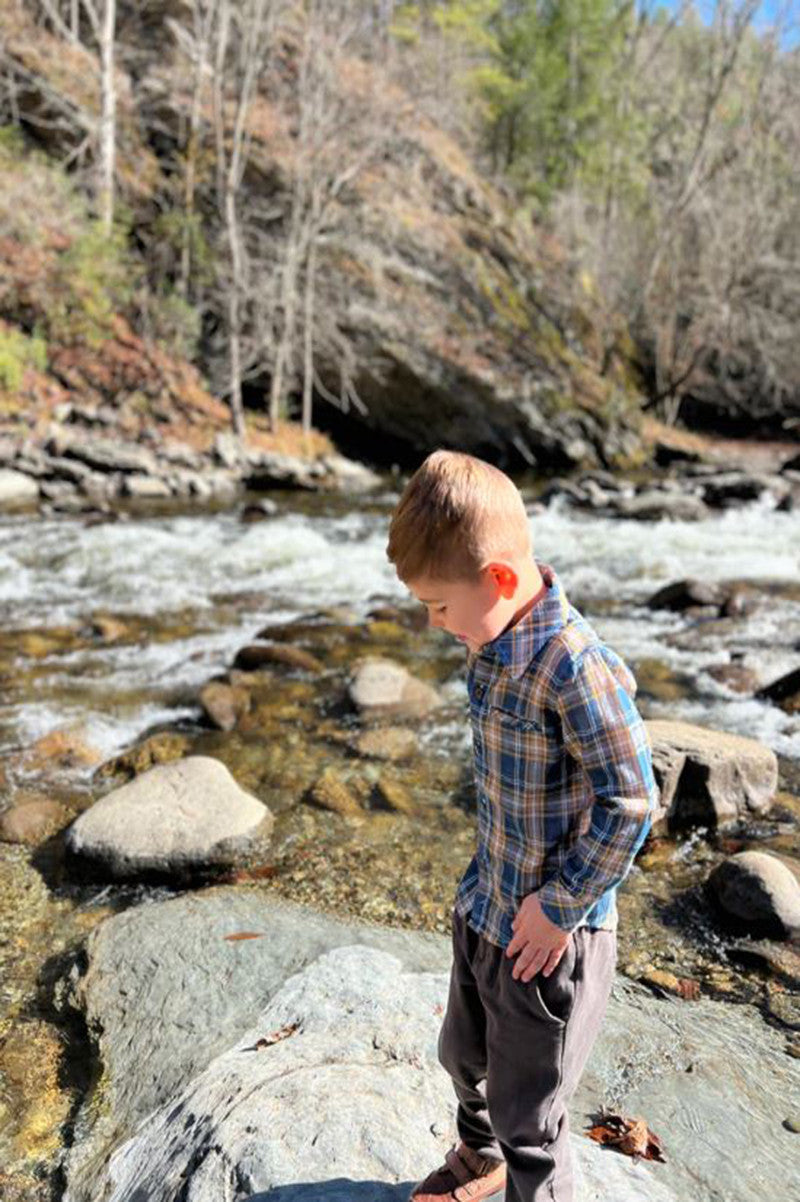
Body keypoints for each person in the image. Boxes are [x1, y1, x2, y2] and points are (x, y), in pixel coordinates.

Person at [385, 450, 659, 1202]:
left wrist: (561, 905)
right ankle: (479, 1161)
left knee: (529, 1110)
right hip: (487, 904)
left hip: (550, 938)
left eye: (438, 606)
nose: (432, 623)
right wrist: (484, 899)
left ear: (500, 579)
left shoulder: (574, 665)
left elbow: (633, 800)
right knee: (461, 1055)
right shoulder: (491, 638)